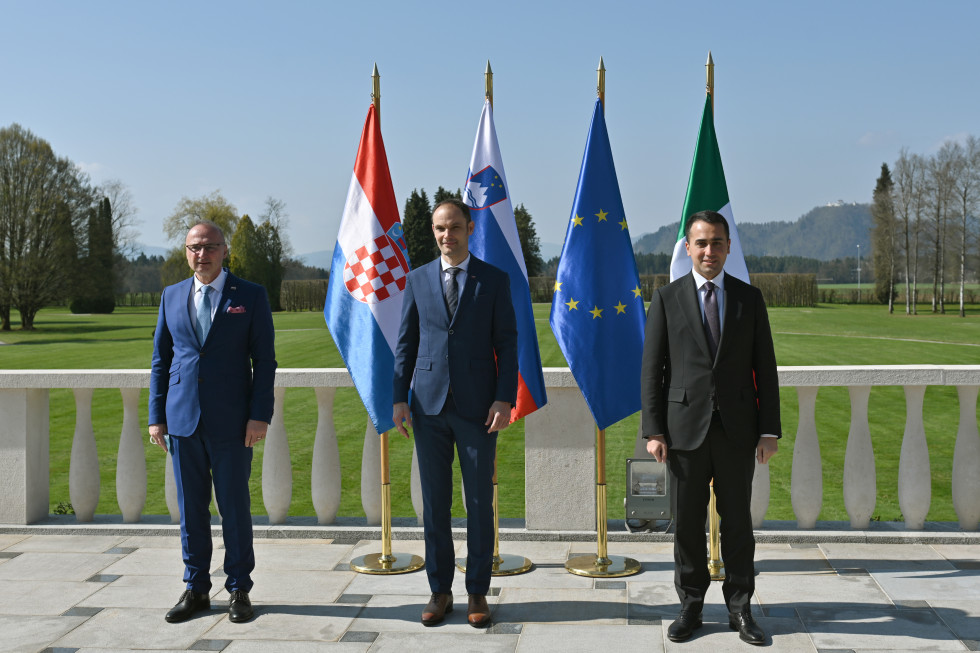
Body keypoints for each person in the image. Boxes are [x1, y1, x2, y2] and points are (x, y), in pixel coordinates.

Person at [640, 210, 780, 646]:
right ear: (687, 247)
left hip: (738, 431)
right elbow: (652, 371)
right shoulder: (666, 299)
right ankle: (691, 607)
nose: (709, 251)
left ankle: (741, 608)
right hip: (683, 433)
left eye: (717, 242)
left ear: (728, 247)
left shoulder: (749, 299)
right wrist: (654, 430)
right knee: (686, 524)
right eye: (700, 243)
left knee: (738, 523)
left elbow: (766, 369)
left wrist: (769, 429)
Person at [393, 199, 518, 629]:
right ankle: (440, 590)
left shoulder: (494, 280)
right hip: (427, 407)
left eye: (456, 228)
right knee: (436, 505)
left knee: (480, 503)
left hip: (479, 410)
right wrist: (398, 398)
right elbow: (406, 344)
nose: (449, 235)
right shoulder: (417, 279)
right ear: (433, 231)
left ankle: (477, 590)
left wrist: (504, 398)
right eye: (441, 229)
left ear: (469, 229)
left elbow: (508, 343)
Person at [149, 221, 277, 624]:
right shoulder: (171, 296)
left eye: (209, 247)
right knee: (191, 509)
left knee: (234, 507)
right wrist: (156, 417)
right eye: (193, 248)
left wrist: (259, 416)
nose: (200, 255)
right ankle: (196, 588)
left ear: (225, 251)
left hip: (234, 422)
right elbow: (161, 360)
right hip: (182, 420)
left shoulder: (250, 296)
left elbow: (266, 362)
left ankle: (239, 588)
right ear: (186, 252)